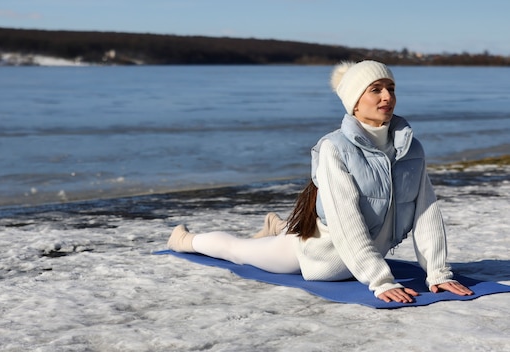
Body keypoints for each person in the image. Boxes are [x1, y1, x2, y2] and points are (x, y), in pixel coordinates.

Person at [167, 60, 474, 303]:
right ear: (354, 101)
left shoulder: (411, 150)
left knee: (271, 240)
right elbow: (345, 222)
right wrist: (380, 280)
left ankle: (280, 228)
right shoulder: (335, 148)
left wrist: (437, 273)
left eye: (391, 88)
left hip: (361, 259)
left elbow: (426, 212)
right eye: (376, 89)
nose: (387, 97)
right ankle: (184, 240)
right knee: (239, 251)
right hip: (319, 255)